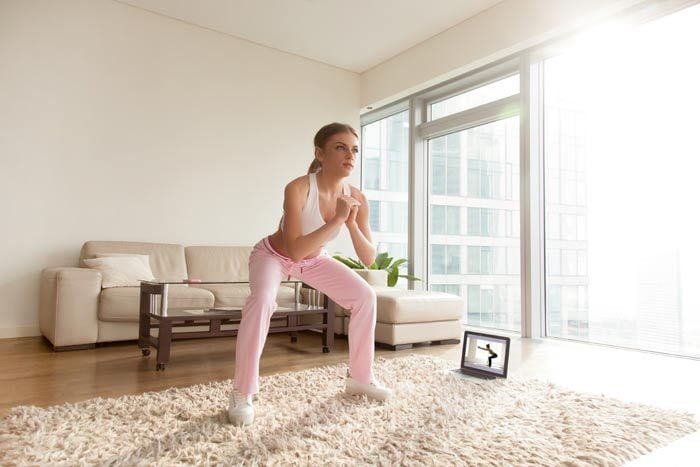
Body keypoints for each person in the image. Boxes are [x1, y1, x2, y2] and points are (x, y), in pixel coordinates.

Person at [228, 122, 392, 426]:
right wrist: (338, 219)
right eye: (340, 147)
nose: (350, 155)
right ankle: (242, 391)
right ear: (319, 153)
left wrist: (352, 223)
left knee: (365, 296)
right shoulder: (299, 188)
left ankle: (360, 377)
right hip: (274, 256)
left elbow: (369, 259)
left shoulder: (357, 197)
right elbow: (294, 251)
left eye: (354, 149)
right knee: (262, 301)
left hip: (314, 259)